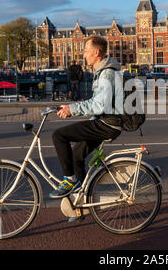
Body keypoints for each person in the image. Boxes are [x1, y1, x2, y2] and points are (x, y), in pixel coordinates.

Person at [49, 35, 124, 198]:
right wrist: (71, 108)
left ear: (96, 52)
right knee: (76, 156)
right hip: (105, 121)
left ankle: (69, 180)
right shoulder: (102, 71)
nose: (84, 55)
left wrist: (72, 109)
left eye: (86, 51)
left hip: (108, 123)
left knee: (59, 135)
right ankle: (83, 201)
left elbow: (100, 105)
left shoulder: (107, 74)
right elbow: (97, 102)